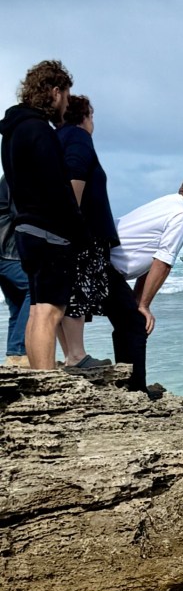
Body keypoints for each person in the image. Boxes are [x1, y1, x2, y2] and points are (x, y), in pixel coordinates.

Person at [0, 60, 87, 370]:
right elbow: (57, 187)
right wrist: (78, 230)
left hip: (25, 228)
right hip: (49, 230)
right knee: (50, 311)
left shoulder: (13, 130)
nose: (66, 102)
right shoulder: (39, 130)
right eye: (66, 95)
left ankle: (41, 380)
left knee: (38, 309)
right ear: (54, 91)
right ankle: (47, 378)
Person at [110, 174, 183, 337]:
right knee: (136, 326)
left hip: (97, 261)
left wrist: (138, 300)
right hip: (105, 268)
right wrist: (144, 306)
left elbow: (151, 261)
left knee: (132, 323)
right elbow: (163, 263)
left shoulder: (167, 203)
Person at [55, 94, 115, 369]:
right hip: (81, 231)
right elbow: (75, 177)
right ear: (83, 116)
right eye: (91, 116)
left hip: (61, 229)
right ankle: (77, 355)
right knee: (77, 291)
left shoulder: (57, 138)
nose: (93, 123)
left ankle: (70, 355)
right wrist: (74, 224)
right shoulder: (78, 137)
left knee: (62, 294)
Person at [0, 175, 30, 365]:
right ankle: (20, 351)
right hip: (8, 252)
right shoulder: (17, 175)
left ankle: (14, 356)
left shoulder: (10, 176)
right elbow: (21, 214)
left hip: (5, 253)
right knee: (36, 290)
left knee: (18, 305)